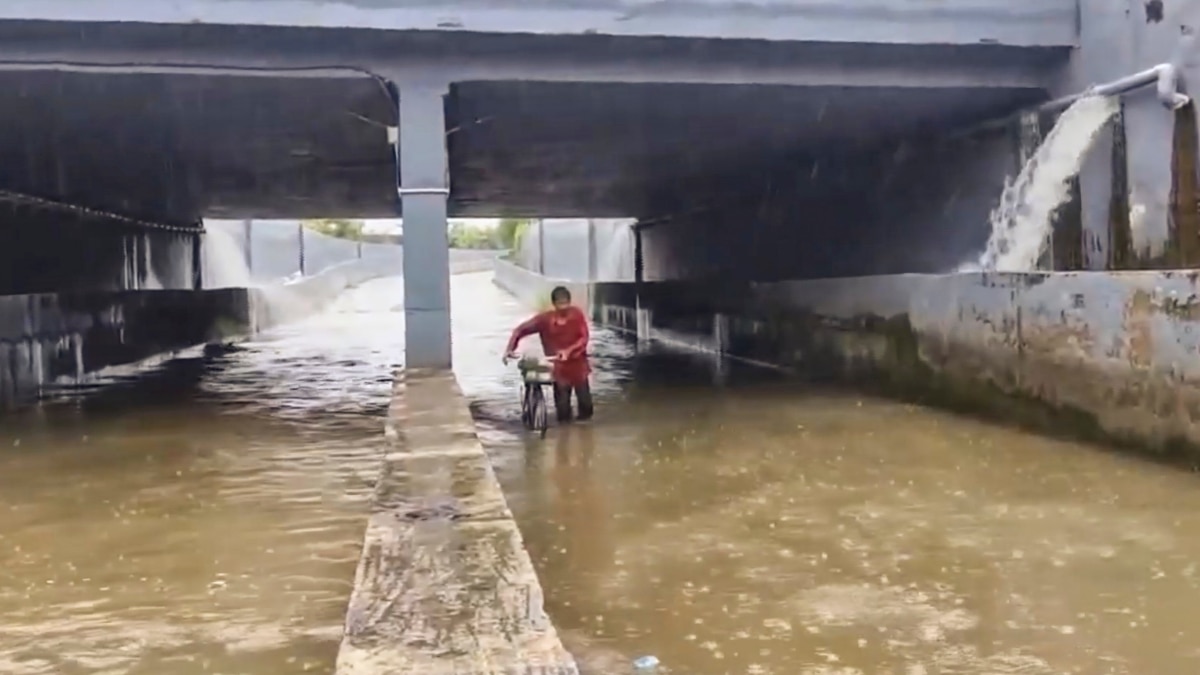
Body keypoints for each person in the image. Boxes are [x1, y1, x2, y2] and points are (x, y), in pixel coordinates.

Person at [503, 286, 593, 423]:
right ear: (554, 304)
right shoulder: (545, 320)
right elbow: (520, 330)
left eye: (566, 304)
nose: (563, 308)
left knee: (586, 407)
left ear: (570, 302)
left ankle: (585, 435)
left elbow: (584, 338)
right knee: (563, 411)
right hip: (559, 369)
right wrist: (510, 349)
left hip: (578, 366)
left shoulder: (577, 315)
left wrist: (568, 351)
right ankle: (565, 436)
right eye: (560, 304)